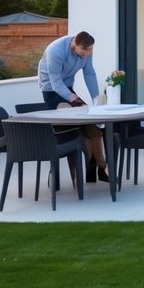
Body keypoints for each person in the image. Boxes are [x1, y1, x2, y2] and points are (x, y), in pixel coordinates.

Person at [38, 30, 109, 183]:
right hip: (51, 90)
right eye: (85, 50)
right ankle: (61, 171)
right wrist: (77, 101)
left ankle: (99, 168)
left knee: (91, 124)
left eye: (91, 49)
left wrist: (96, 101)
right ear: (75, 45)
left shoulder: (87, 48)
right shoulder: (55, 51)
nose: (89, 53)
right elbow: (56, 84)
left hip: (68, 87)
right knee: (79, 118)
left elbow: (89, 73)